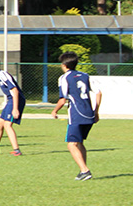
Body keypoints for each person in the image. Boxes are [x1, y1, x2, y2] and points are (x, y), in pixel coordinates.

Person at [50, 51, 102, 180]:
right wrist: (96, 111)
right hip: (89, 114)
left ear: (64, 65)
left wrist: (54, 111)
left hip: (76, 114)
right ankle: (82, 171)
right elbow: (99, 93)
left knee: (71, 144)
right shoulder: (85, 76)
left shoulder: (64, 78)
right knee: (79, 143)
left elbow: (63, 99)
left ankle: (85, 170)